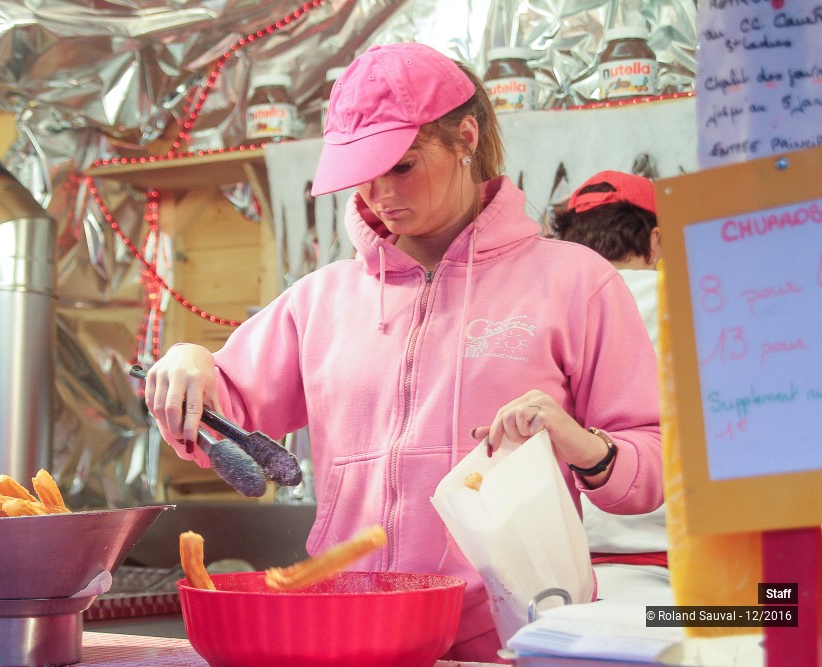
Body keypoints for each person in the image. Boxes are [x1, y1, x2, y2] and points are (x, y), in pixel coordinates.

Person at [144, 43, 662, 660]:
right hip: (350, 630)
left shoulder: (575, 282)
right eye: (363, 172)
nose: (381, 193)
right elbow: (219, 419)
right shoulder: (320, 299)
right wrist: (190, 364)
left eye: (403, 165)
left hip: (509, 635)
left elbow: (649, 470)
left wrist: (585, 446)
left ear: (465, 137)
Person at [550, 171, 669, 599]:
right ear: (655, 240)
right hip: (679, 557)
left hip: (567, 562)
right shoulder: (699, 299)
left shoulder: (548, 305)